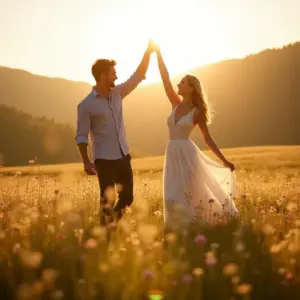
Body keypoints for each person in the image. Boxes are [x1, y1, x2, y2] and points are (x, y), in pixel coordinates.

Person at [153, 43, 239, 225]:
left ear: (191, 88)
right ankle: (175, 231)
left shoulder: (197, 111)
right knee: (170, 196)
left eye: (182, 82)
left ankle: (193, 229)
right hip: (172, 153)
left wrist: (224, 160)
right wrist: (158, 55)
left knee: (188, 194)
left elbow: (207, 139)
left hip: (187, 154)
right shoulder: (175, 104)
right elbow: (165, 80)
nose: (178, 84)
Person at [76, 41, 156, 226]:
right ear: (103, 75)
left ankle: (109, 226)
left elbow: (138, 76)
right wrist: (86, 161)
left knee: (127, 198)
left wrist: (148, 53)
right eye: (113, 73)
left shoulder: (118, 93)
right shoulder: (86, 105)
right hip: (104, 160)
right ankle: (103, 238)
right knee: (107, 202)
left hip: (123, 156)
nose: (116, 76)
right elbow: (81, 136)